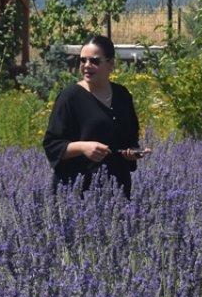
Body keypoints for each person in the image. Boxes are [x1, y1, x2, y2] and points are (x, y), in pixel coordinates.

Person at [43, 35, 145, 196]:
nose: (87, 66)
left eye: (95, 61)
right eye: (83, 60)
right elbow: (52, 144)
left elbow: (130, 137)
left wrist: (132, 152)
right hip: (77, 192)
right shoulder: (70, 97)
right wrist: (83, 147)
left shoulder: (122, 95)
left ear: (110, 64)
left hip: (116, 190)